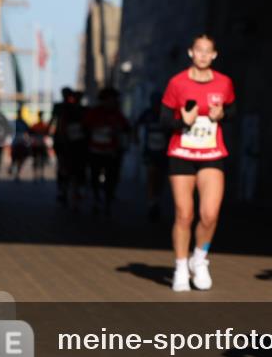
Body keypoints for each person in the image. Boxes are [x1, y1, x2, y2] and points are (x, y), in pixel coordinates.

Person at [159, 34, 236, 292]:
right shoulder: (177, 83)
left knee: (210, 214)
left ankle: (199, 258)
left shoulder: (224, 82)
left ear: (214, 55)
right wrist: (183, 121)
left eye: (208, 51)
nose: (203, 55)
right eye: (198, 50)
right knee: (184, 213)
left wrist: (222, 114)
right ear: (191, 53)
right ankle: (181, 266)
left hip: (212, 154)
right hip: (182, 153)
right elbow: (163, 119)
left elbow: (233, 111)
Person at [83, 87, 131, 215]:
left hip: (111, 152)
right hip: (95, 151)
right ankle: (96, 198)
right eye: (109, 99)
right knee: (94, 176)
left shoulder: (117, 114)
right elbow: (85, 127)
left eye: (113, 100)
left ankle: (108, 200)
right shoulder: (94, 113)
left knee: (112, 177)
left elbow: (126, 127)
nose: (111, 102)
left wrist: (118, 131)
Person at [50, 88, 88, 209]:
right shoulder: (68, 109)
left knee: (68, 167)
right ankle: (66, 190)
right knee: (66, 167)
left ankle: (66, 190)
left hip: (72, 144)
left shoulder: (76, 110)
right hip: (66, 143)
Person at [135, 93, 169, 221]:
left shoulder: (167, 115)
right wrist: (136, 138)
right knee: (151, 174)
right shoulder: (147, 114)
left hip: (164, 152)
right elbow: (136, 124)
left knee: (160, 178)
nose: (156, 106)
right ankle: (151, 203)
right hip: (150, 151)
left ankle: (156, 199)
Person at [9, 110, 32, 181]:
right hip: (16, 139)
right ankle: (12, 164)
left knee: (25, 153)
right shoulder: (16, 122)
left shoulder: (23, 122)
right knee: (14, 154)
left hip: (21, 139)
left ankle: (15, 170)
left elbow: (29, 130)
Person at [29, 111, 50, 181]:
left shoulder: (38, 125)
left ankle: (38, 175)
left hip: (38, 144)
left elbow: (30, 133)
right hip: (39, 144)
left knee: (39, 160)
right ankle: (39, 175)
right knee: (40, 160)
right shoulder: (42, 125)